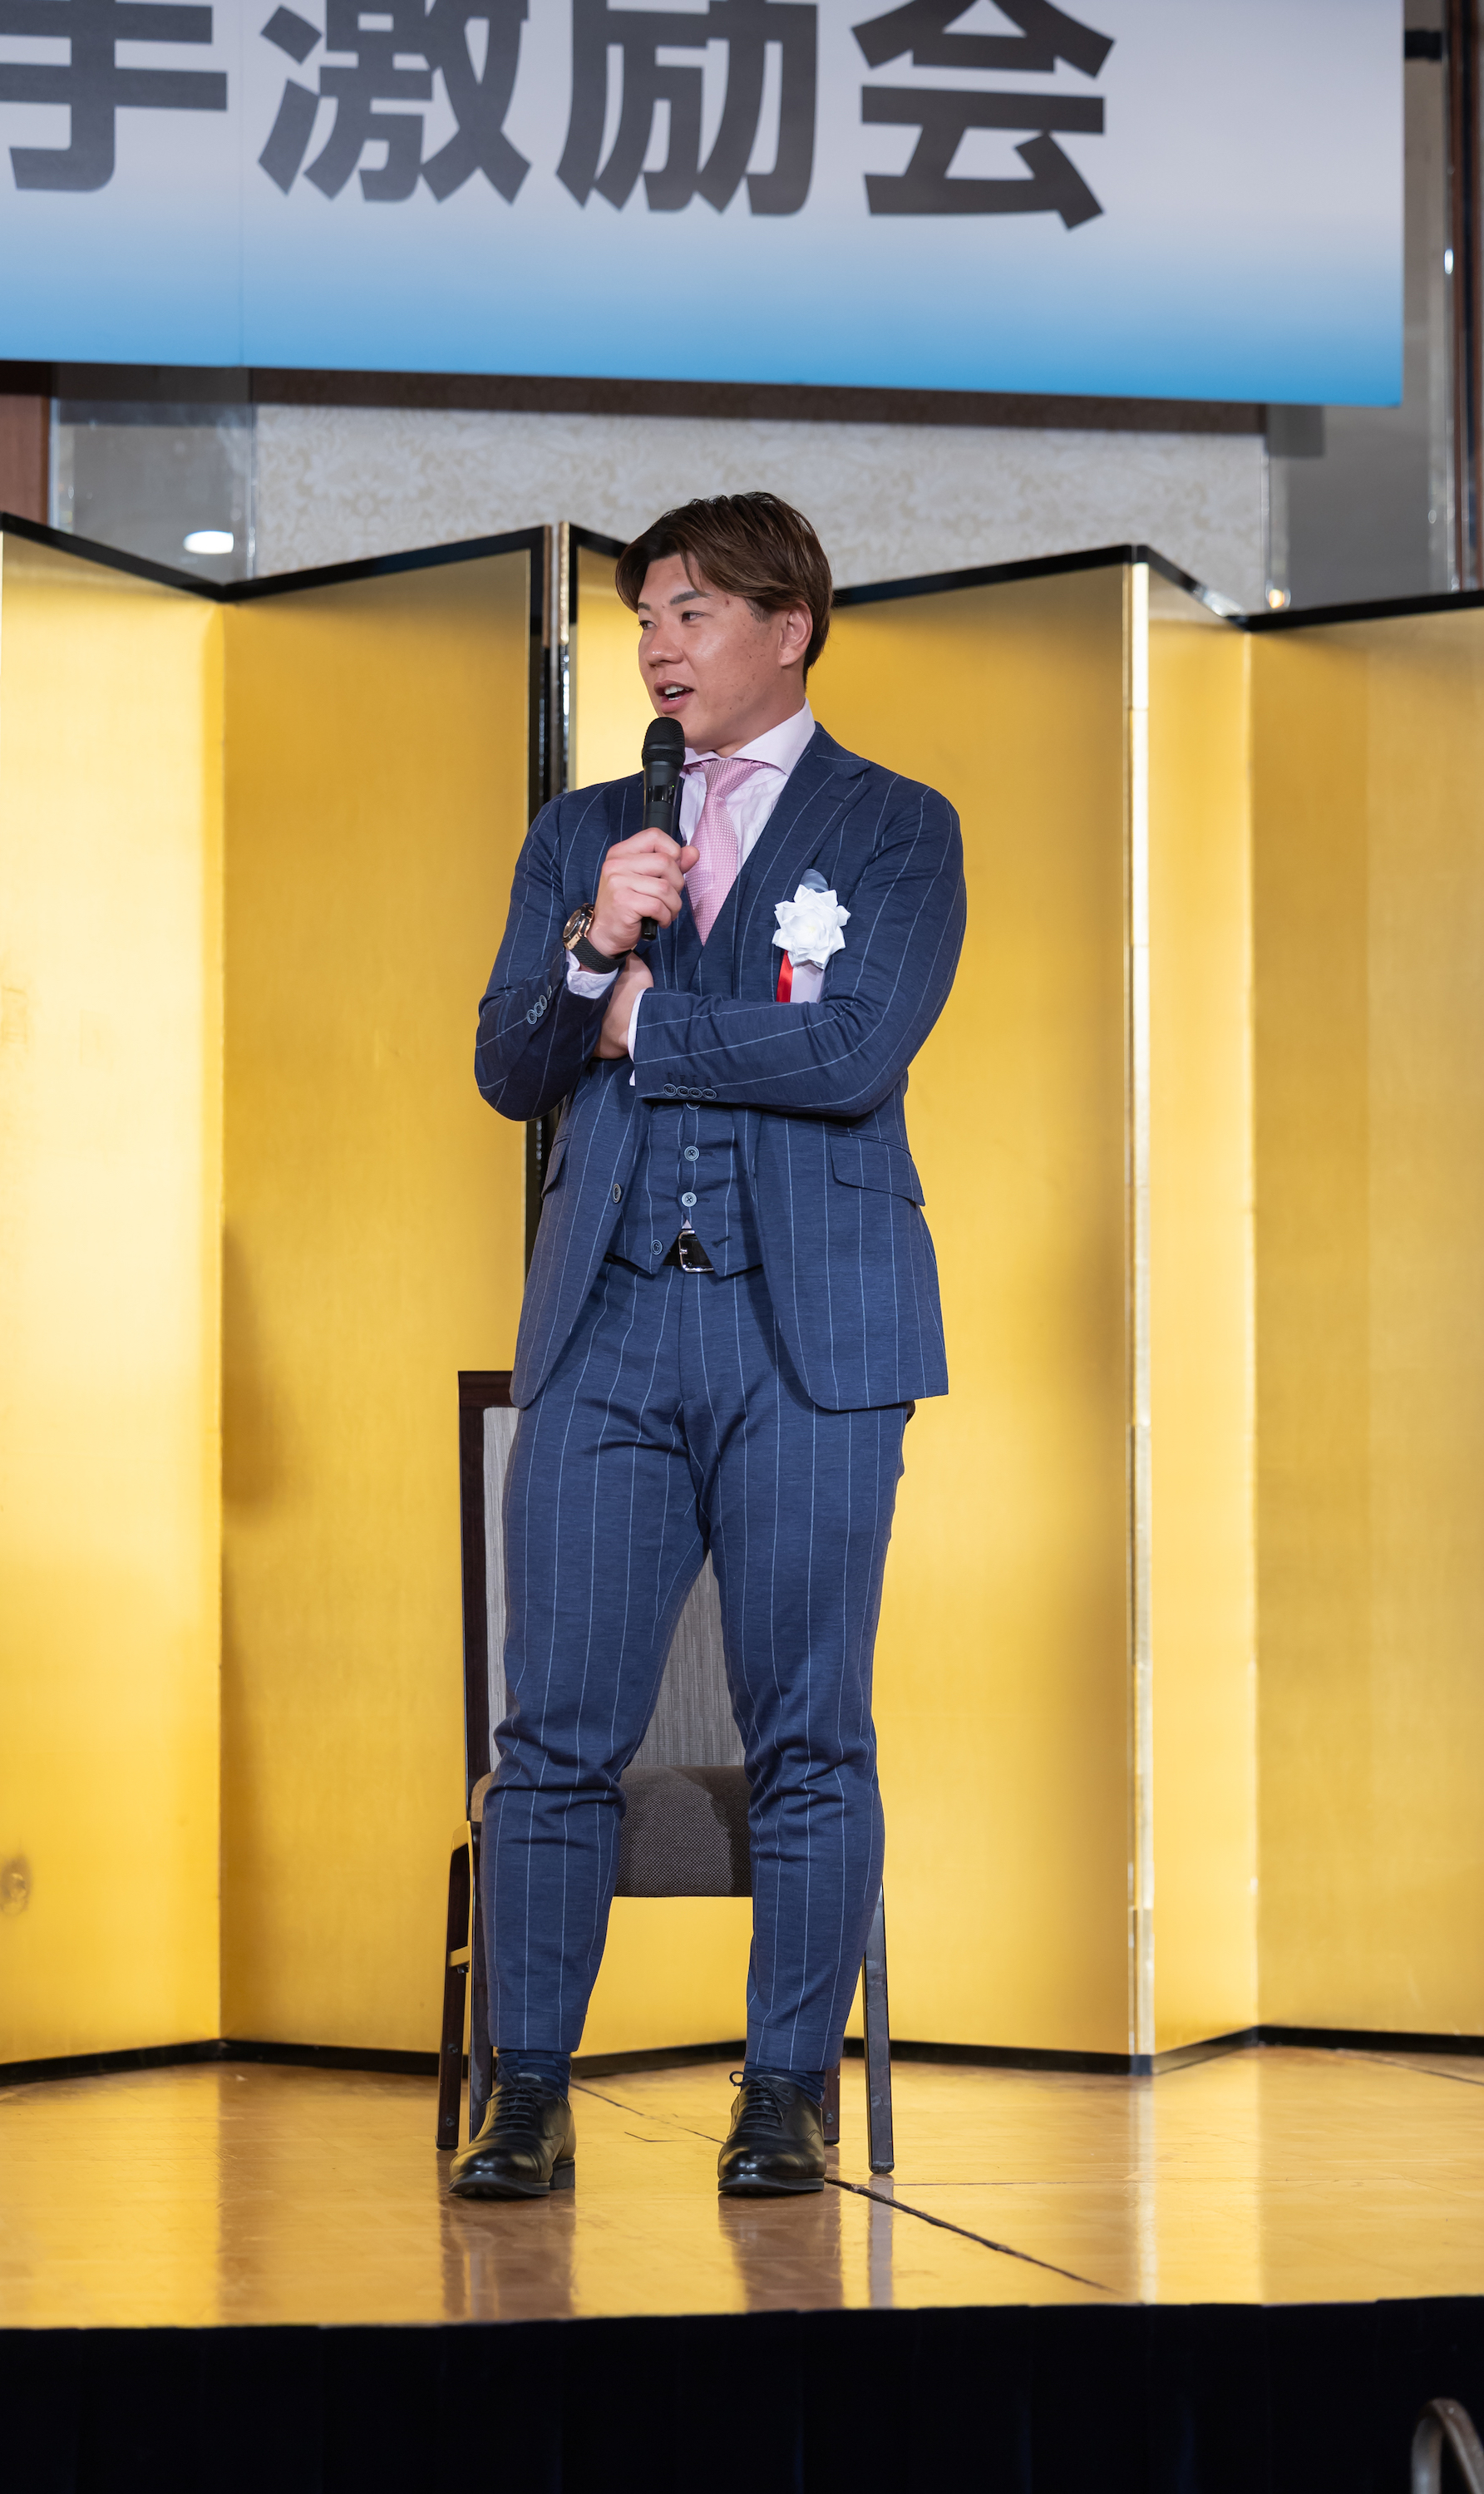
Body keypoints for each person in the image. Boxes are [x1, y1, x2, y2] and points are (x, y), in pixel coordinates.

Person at [453, 492, 965, 2200]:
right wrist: (591, 944)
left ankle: (783, 2094)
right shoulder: (587, 832)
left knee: (811, 1729)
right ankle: (527, 2094)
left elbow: (855, 1054)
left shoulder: (897, 825)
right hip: (608, 1323)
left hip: (812, 1335)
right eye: (644, 621)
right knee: (555, 1732)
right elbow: (508, 1068)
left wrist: (641, 1020)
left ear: (787, 625)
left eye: (691, 613)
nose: (659, 648)